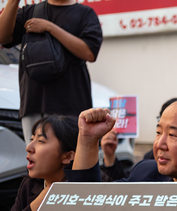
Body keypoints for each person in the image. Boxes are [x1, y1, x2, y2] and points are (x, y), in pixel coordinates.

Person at [0, 0, 102, 142]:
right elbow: (3, 37)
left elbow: (89, 52)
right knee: (37, 161)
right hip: (33, 104)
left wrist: (49, 27)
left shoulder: (85, 13)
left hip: (71, 107)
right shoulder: (29, 12)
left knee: (73, 162)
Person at [1, 116, 78, 211]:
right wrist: (35, 207)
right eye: (32, 139)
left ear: (68, 156)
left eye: (41, 141)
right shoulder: (30, 184)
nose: (29, 147)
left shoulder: (85, 188)